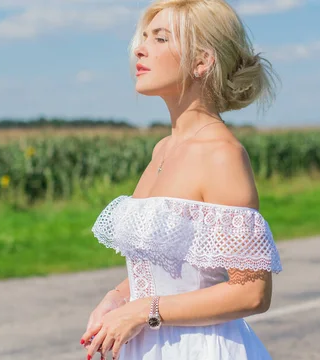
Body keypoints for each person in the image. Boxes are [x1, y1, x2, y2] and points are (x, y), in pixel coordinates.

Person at [80, 0, 282, 359]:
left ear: (201, 61)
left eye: (159, 39)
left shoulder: (221, 154)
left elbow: (251, 292)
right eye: (143, 38)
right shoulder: (163, 149)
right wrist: (117, 298)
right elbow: (165, 267)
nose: (140, 49)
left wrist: (143, 311)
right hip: (148, 347)